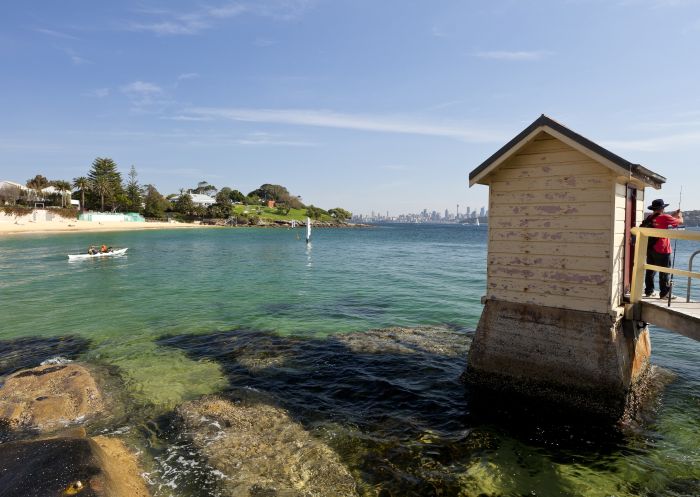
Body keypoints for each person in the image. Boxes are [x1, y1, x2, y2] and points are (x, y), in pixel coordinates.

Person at [643, 198, 683, 299]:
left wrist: (673, 215)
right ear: (662, 208)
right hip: (662, 248)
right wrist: (680, 215)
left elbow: (665, 220)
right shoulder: (664, 217)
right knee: (664, 271)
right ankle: (664, 294)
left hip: (651, 247)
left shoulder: (650, 217)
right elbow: (680, 222)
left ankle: (649, 291)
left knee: (650, 271)